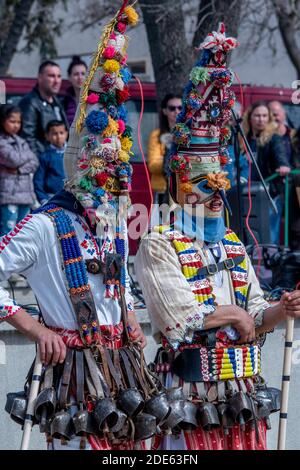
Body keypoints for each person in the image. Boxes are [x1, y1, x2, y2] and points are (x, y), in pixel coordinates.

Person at [135, 23, 300, 451]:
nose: (216, 194)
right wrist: (234, 314)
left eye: (221, 184)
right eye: (205, 185)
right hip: (189, 400)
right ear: (181, 186)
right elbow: (179, 321)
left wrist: (281, 309)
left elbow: (256, 311)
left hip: (242, 394)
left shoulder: (229, 240)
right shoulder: (158, 241)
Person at [0, 3, 148, 451]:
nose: (114, 184)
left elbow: (115, 277)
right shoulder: (44, 224)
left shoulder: (113, 222)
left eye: (119, 172)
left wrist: (127, 314)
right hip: (73, 378)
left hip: (124, 369)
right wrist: (34, 329)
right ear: (79, 168)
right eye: (105, 173)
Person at [242, 101, 291, 244]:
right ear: (250, 118)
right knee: (247, 237)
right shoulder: (241, 138)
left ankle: (269, 264)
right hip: (244, 194)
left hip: (268, 194)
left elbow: (280, 155)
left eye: (264, 116)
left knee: (269, 238)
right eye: (257, 115)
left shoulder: (273, 138)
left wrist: (283, 165)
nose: (261, 119)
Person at [0, 104, 39, 235]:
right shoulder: (1, 142)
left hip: (26, 194)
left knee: (22, 231)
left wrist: (19, 170)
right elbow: (13, 160)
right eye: (12, 121)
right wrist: (26, 157)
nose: (16, 125)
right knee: (8, 229)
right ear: (2, 120)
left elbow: (34, 162)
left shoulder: (21, 141)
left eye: (19, 122)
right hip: (9, 194)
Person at [19, 60, 68, 157]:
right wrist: (42, 165)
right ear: (40, 77)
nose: (57, 81)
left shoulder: (56, 101)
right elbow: (27, 139)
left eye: (59, 76)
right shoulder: (30, 103)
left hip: (59, 161)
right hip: (44, 164)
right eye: (51, 76)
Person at [147, 94, 182, 205]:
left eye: (180, 108)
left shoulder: (190, 135)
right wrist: (175, 162)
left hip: (185, 189)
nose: (176, 111)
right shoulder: (156, 135)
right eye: (172, 108)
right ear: (164, 111)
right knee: (164, 222)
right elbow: (153, 165)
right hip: (163, 189)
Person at [33, 120, 68, 205]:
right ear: (47, 136)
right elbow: (38, 181)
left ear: (66, 134)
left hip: (73, 196)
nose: (59, 136)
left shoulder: (73, 153)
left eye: (61, 133)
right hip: (52, 198)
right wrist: (43, 199)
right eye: (54, 134)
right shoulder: (45, 156)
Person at [63, 56, 88, 126]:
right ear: (69, 77)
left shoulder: (95, 98)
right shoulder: (64, 101)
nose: (80, 77)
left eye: (83, 74)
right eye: (76, 74)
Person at [268, 100, 295, 165]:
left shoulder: (294, 135)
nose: (273, 118)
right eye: (269, 116)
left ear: (284, 115)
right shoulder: (264, 138)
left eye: (275, 115)